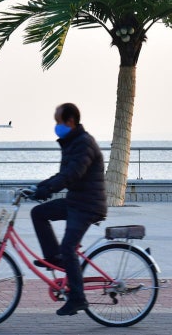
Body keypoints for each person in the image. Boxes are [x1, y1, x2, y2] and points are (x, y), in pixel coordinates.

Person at [29, 103, 107, 316]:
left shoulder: (84, 144)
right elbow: (61, 175)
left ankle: (78, 299)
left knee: (68, 247)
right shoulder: (72, 143)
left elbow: (72, 175)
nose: (56, 126)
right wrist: (39, 187)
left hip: (87, 205)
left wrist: (46, 190)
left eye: (58, 122)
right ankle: (54, 258)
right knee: (38, 213)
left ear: (70, 121)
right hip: (76, 201)